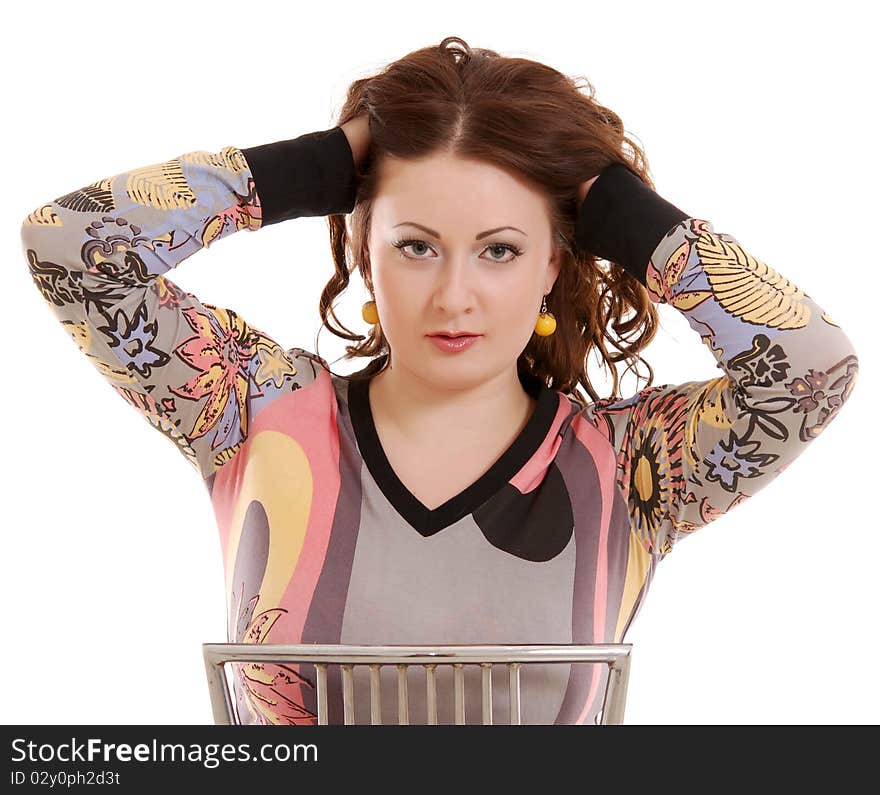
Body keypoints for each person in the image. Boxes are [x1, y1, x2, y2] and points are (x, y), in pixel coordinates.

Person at [20, 36, 859, 725]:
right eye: (415, 244)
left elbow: (813, 367)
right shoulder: (255, 410)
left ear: (552, 265)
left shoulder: (632, 467)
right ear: (360, 248)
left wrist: (628, 214)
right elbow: (67, 246)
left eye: (500, 249)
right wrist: (308, 168)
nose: (454, 296)